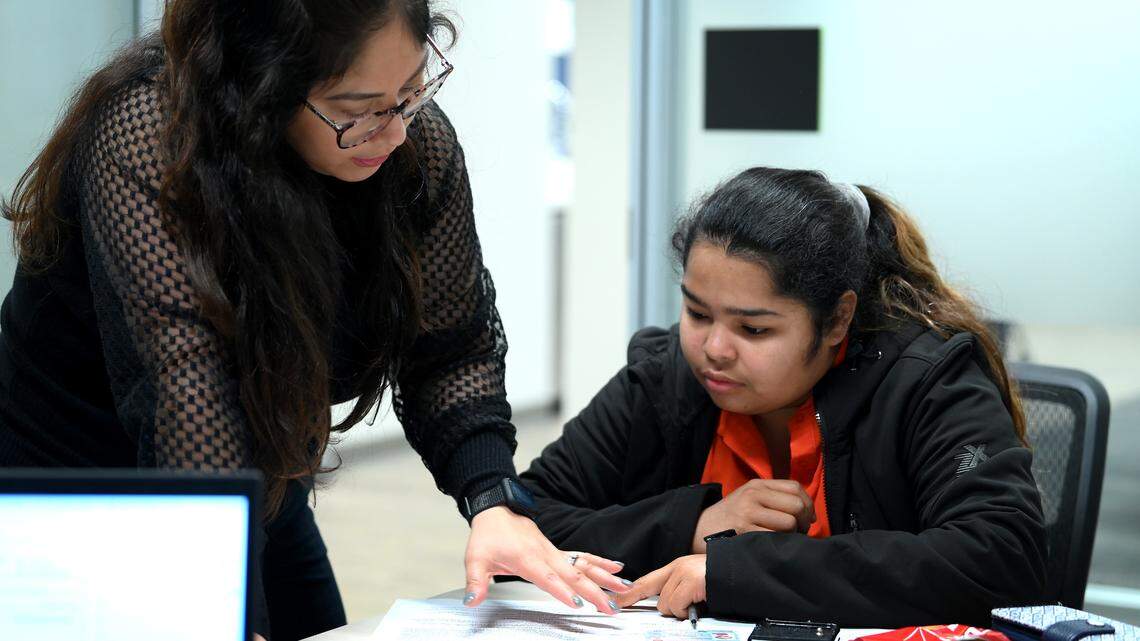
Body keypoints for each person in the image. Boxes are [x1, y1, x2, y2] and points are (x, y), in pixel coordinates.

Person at [0, 1, 625, 639]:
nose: (395, 132)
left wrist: (493, 500)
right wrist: (223, 605)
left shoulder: (412, 145)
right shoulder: (147, 138)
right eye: (357, 110)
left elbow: (450, 348)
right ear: (263, 85)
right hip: (78, 482)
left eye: (410, 91)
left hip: (260, 471)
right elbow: (186, 391)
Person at [520, 167, 1047, 627]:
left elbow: (1001, 557)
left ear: (837, 319)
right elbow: (524, 521)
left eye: (753, 330)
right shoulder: (666, 379)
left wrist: (734, 570)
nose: (713, 350)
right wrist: (695, 525)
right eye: (697, 314)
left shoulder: (925, 380)